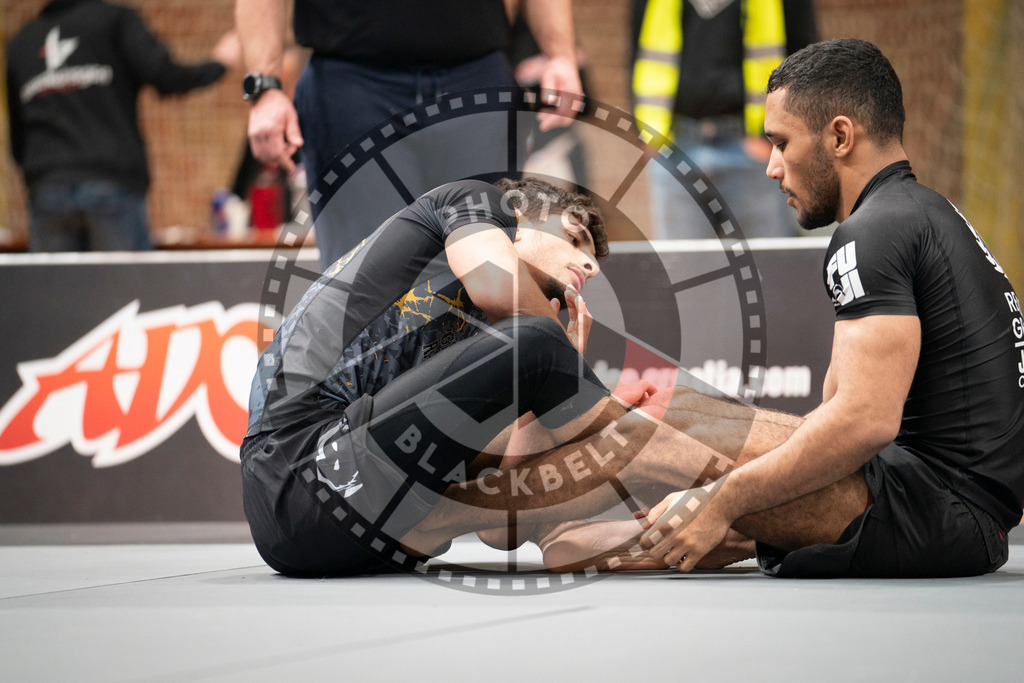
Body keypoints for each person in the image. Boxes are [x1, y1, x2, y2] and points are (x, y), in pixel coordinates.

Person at [519, 38, 1023, 578]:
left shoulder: (871, 232)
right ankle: (552, 520)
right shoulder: (920, 212)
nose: (772, 168)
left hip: (940, 515)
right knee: (674, 408)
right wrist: (738, 502)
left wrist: (724, 499)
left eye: (781, 143)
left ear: (839, 135)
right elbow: (838, 409)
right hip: (941, 504)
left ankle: (453, 512)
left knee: (653, 436)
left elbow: (865, 422)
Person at [241, 177, 614, 576]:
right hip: (294, 464)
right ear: (521, 219)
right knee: (537, 344)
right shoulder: (476, 201)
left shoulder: (500, 342)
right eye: (575, 239)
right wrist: (562, 363)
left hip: (359, 535)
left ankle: (565, 533)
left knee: (534, 355)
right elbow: (498, 289)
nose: (591, 267)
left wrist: (544, 387)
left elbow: (499, 531)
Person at [235, 0, 583, 271]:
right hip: (352, 85)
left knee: (486, 272)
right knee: (363, 278)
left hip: (474, 78)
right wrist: (264, 86)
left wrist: (561, 55)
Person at [6, 0, 233, 252]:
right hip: (111, 185)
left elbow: (17, 142)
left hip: (47, 191)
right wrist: (219, 64)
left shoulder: (21, 42)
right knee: (125, 289)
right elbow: (166, 76)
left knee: (54, 291)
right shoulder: (113, 20)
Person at [632, 0, 817, 239]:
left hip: (756, 150)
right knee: (684, 270)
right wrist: (649, 133)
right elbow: (639, 48)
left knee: (767, 265)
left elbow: (806, 56)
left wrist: (773, 138)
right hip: (675, 147)